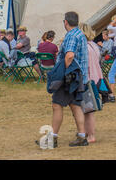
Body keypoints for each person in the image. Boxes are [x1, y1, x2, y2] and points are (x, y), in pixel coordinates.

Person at [48, 11, 89, 147]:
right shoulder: (80, 34)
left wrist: (63, 73)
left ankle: (52, 138)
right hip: (79, 77)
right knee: (75, 105)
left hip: (70, 77)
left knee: (57, 105)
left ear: (65, 22)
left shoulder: (71, 35)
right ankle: (82, 136)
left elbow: (69, 55)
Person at [79, 23, 103, 144]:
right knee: (89, 111)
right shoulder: (94, 45)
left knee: (87, 111)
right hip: (96, 79)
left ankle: (90, 135)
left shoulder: (84, 48)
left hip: (87, 80)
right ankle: (88, 133)